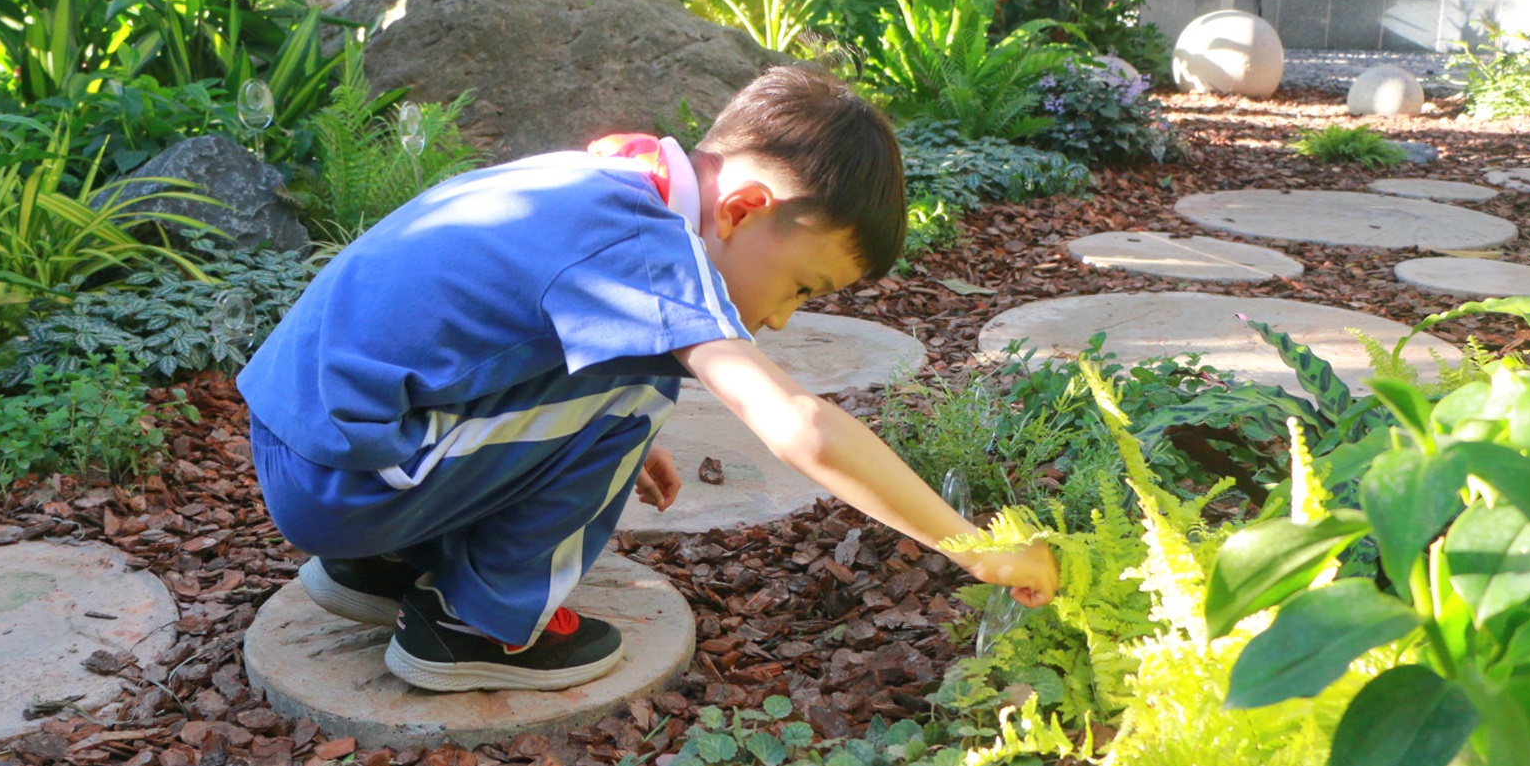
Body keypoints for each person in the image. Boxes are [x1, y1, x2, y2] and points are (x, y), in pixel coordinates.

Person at [237, 66, 1057, 694]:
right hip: (338, 478)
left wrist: (575, 439)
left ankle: (385, 565)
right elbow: (801, 427)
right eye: (803, 286)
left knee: (633, 390)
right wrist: (976, 547)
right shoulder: (649, 242)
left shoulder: (620, 179)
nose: (779, 319)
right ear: (741, 209)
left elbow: (506, 327)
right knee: (636, 387)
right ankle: (480, 627)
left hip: (314, 439)